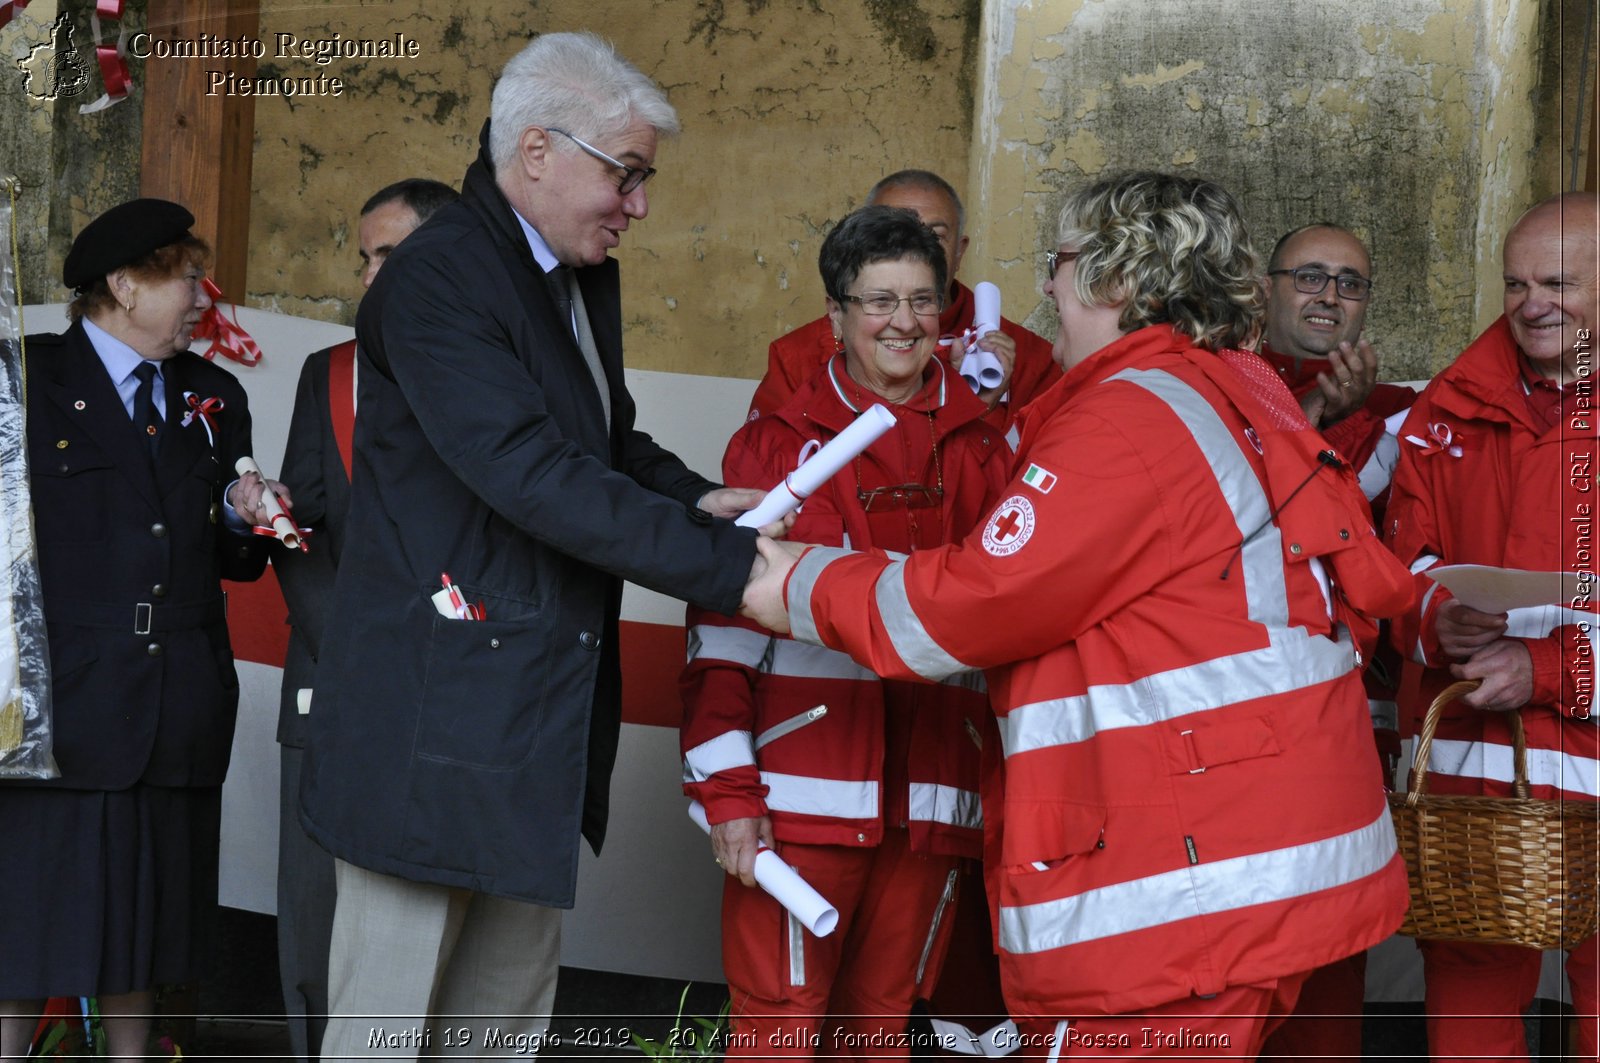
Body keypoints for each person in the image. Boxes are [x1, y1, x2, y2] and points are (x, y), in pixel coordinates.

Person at [742, 171, 1415, 1057]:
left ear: (1118, 279)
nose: (1047, 288)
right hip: (1249, 856)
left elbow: (981, 602)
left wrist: (794, 583)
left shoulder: (1131, 418)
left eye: (1058, 264)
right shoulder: (1238, 390)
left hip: (1188, 884)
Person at [297, 32, 771, 1060]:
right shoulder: (437, 279)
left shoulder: (570, 271)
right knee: (385, 1030)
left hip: (529, 724)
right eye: (628, 175)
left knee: (500, 1027)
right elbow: (529, 471)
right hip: (432, 722)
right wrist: (739, 575)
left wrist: (702, 503)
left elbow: (599, 440)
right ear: (540, 152)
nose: (639, 205)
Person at [681, 205, 1008, 1057]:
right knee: (778, 1034)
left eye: (924, 300)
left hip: (935, 795)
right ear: (835, 315)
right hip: (798, 801)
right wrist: (727, 790)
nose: (905, 322)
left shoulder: (992, 450)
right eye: (879, 301)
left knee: (879, 1036)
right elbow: (720, 636)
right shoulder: (774, 446)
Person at [0, 199, 284, 1062]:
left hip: (178, 696)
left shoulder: (213, 393)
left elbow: (234, 564)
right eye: (186, 275)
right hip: (64, 698)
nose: (203, 295)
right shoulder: (27, 377)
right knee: (30, 915)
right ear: (124, 285)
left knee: (148, 917)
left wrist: (245, 516)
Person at [1384, 190, 1599, 1061]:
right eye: (1515, 283)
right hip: (1477, 789)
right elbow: (1394, 575)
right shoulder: (1444, 406)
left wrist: (1547, 669)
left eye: (1557, 282)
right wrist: (1439, 624)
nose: (1531, 304)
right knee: (1468, 1035)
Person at [271, 176, 456, 1063]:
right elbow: (297, 532)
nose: (370, 276)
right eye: (365, 259)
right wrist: (350, 655)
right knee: (319, 919)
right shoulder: (330, 375)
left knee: (443, 924)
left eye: (391, 255)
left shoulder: (500, 377)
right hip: (335, 685)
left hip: (457, 701)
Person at [1255, 222, 1417, 1063]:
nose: (1328, 296)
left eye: (1349, 283)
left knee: (1326, 973)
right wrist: (1320, 413)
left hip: (1340, 729)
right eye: (1310, 276)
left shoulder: (1399, 417)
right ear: (1265, 289)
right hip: (1238, 724)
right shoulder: (1226, 386)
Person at [751, 170, 1059, 436]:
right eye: (889, 233)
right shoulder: (797, 355)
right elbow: (761, 474)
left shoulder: (1027, 357)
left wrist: (974, 412)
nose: (915, 248)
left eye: (934, 235)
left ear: (959, 251)